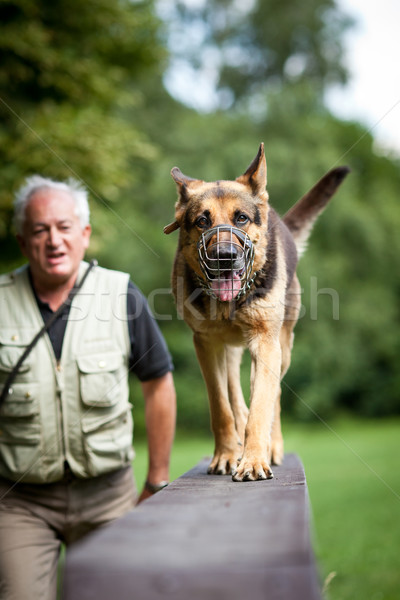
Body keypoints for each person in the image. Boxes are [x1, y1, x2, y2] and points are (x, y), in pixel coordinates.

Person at [0, 175, 176, 600]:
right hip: (19, 502)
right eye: (40, 230)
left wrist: (155, 481)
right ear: (24, 243)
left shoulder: (121, 294)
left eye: (64, 227)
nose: (53, 240)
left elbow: (158, 383)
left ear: (85, 234)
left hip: (109, 496)